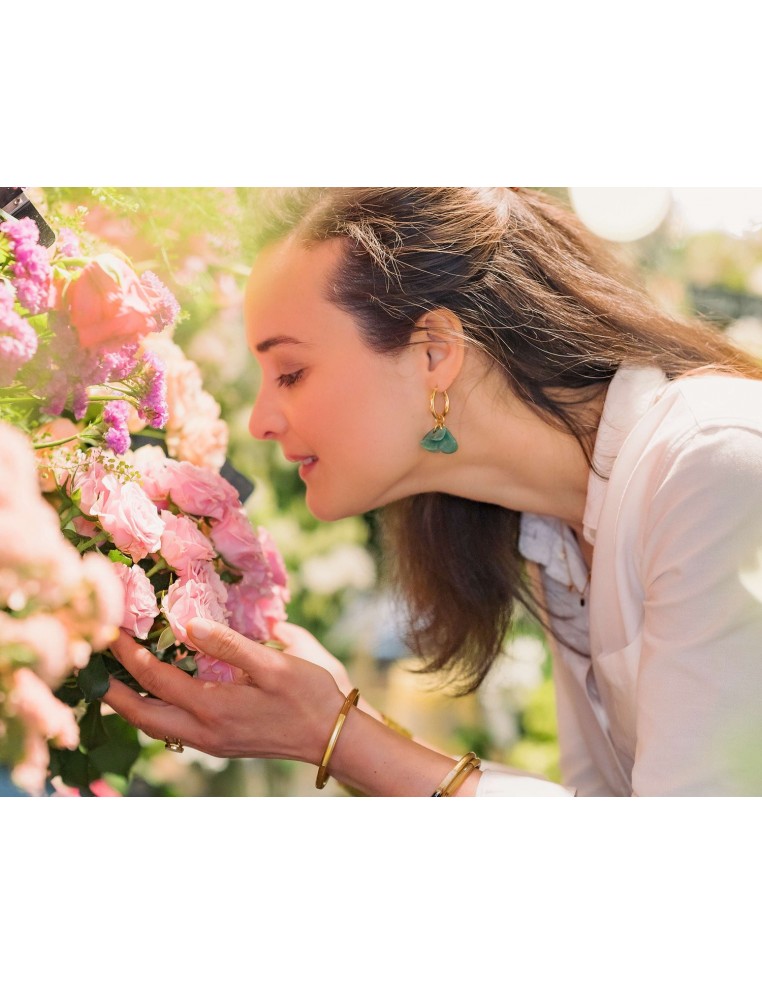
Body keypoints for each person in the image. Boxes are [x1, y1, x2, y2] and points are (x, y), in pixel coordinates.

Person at [103, 187, 762, 796]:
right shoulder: (556, 532)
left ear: (434, 352)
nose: (260, 421)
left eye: (292, 372)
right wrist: (337, 717)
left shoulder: (710, 465)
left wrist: (337, 733)